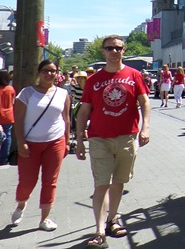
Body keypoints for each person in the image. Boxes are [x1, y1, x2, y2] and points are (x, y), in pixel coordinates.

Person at [75, 35, 150, 248]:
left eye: (118, 48)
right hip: (99, 139)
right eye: (110, 48)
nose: (114, 51)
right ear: (103, 51)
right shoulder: (93, 80)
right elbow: (84, 112)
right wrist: (80, 140)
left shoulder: (134, 75)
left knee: (119, 182)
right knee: (101, 184)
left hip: (127, 137)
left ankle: (112, 220)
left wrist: (145, 128)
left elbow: (145, 103)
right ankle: (99, 232)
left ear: (123, 50)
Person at [11, 59, 70, 231]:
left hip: (55, 142)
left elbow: (66, 119)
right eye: (45, 70)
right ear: (39, 73)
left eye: (53, 71)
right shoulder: (27, 93)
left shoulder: (62, 94)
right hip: (31, 143)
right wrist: (21, 143)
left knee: (50, 181)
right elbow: (19, 120)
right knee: (27, 182)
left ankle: (45, 218)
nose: (49, 74)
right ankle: (21, 203)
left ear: (57, 73)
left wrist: (66, 141)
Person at [0, 69, 15, 165]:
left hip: (0, 113)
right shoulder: (10, 89)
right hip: (9, 115)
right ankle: (4, 159)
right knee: (8, 136)